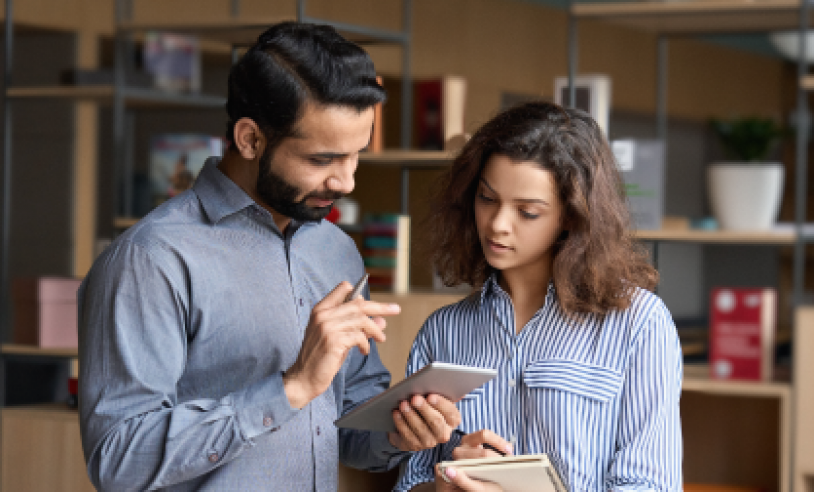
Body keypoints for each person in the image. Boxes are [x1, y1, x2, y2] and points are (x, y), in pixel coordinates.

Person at [78, 22, 461, 491]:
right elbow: (118, 461)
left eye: (355, 155)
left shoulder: (334, 249)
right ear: (250, 139)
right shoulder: (150, 259)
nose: (346, 182)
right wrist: (291, 387)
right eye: (322, 160)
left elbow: (344, 430)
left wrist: (402, 430)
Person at [393, 102, 683, 491]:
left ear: (571, 217)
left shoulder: (639, 324)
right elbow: (409, 482)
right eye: (487, 198)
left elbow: (650, 486)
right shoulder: (442, 332)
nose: (497, 224)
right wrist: (443, 485)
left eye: (527, 212)